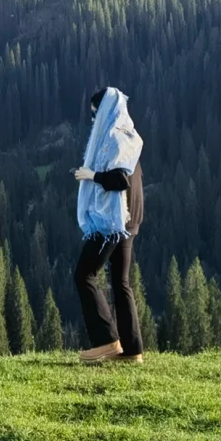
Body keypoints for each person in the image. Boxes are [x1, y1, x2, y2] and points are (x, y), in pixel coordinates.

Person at [72, 87, 145, 363]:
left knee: (83, 275)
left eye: (95, 114)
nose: (94, 120)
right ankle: (132, 350)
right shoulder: (131, 136)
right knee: (120, 282)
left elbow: (119, 180)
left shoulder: (114, 139)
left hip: (111, 222)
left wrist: (92, 175)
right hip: (131, 218)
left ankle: (106, 341)